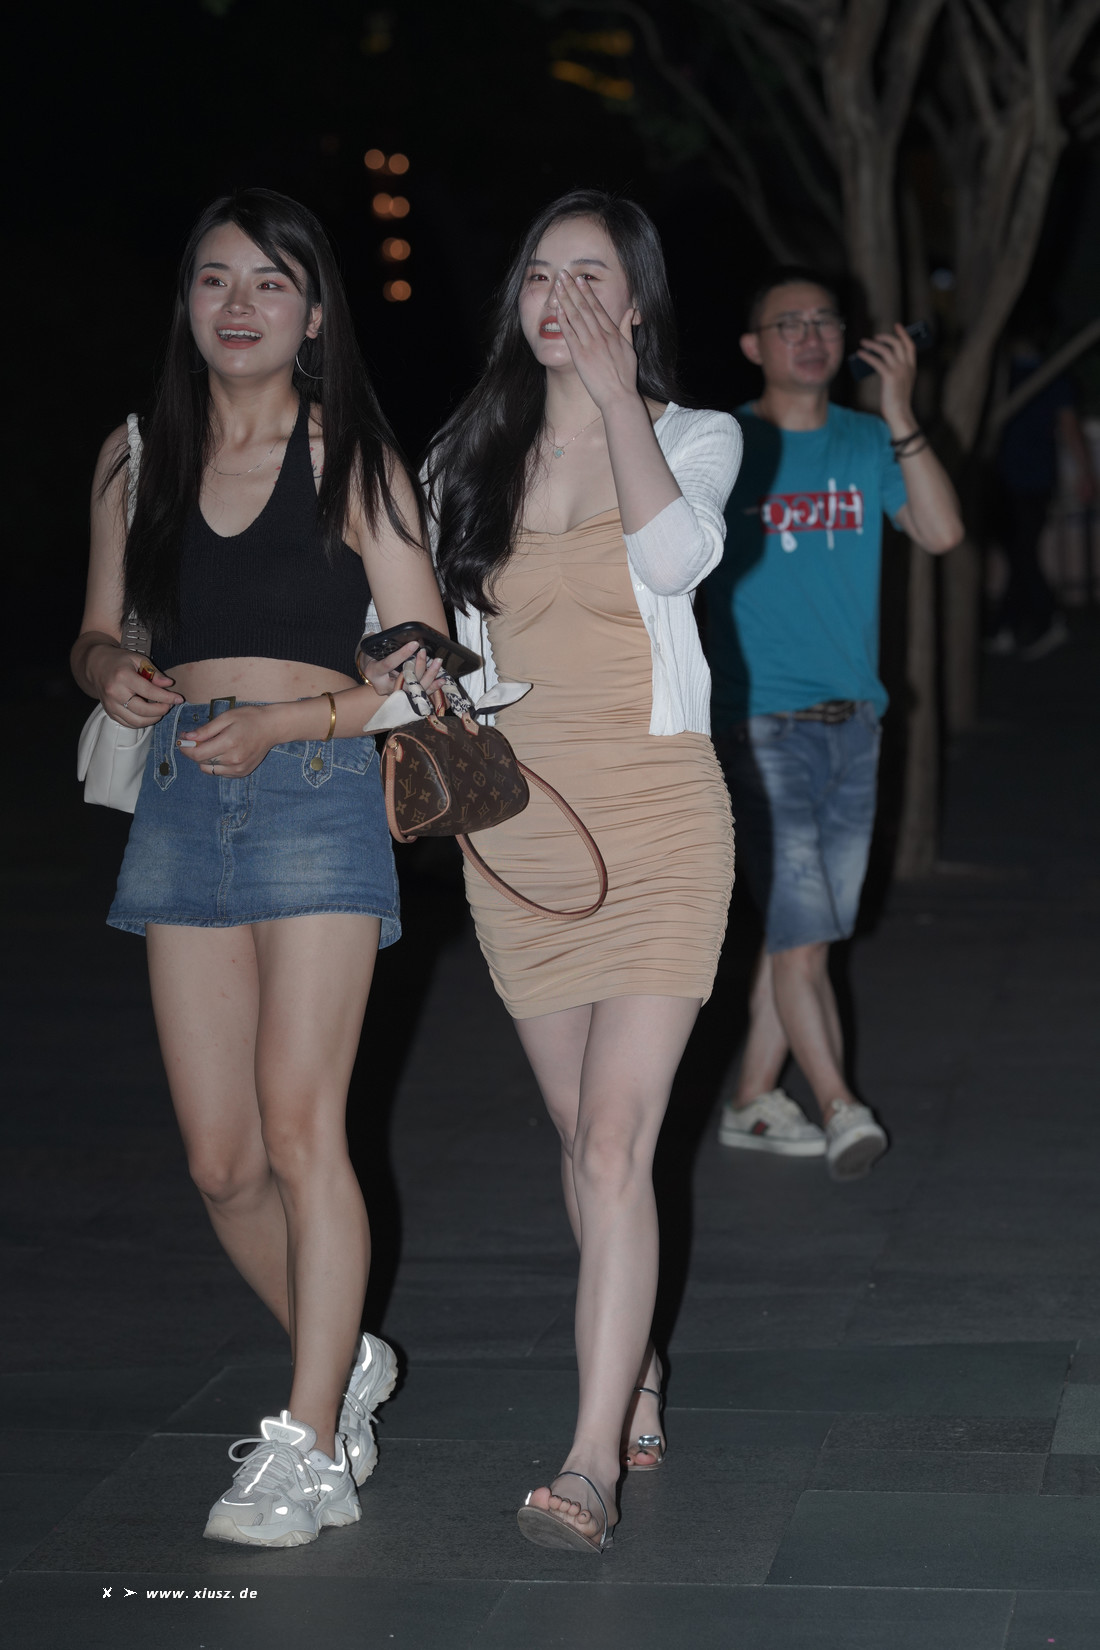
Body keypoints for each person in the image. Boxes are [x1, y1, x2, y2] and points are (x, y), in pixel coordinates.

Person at [71, 188, 448, 1546]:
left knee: (300, 1130)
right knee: (222, 1164)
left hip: (318, 791)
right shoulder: (135, 457)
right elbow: (96, 631)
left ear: (314, 313)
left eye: (270, 283)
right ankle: (341, 1359)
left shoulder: (354, 459)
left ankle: (307, 1447)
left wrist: (296, 720)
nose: (239, 305)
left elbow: (426, 659)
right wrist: (109, 672)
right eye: (216, 279)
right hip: (181, 798)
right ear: (188, 301)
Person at [428, 190, 742, 1553]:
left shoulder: (693, 435)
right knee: (579, 1144)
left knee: (616, 1140)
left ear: (635, 301)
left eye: (590, 276)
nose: (558, 296)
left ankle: (590, 1456)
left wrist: (621, 403)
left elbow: (675, 560)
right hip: (520, 836)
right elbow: (417, 624)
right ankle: (640, 1362)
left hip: (661, 817)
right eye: (539, 273)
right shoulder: (463, 453)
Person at [705, 267, 963, 1180]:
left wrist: (899, 409)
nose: (810, 336)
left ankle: (750, 1100)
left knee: (800, 933)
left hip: (856, 723)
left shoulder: (866, 439)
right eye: (789, 323)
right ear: (753, 346)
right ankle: (840, 1103)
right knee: (804, 930)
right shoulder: (722, 445)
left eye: (825, 321)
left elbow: (940, 531)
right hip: (757, 724)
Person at [986, 332, 1095, 659]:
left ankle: (1043, 620)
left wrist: (1085, 473)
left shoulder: (1043, 375)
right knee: (1018, 553)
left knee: (1022, 553)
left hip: (1028, 479)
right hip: (1012, 477)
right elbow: (1069, 425)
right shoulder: (1004, 375)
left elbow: (1069, 426)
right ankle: (1010, 624)